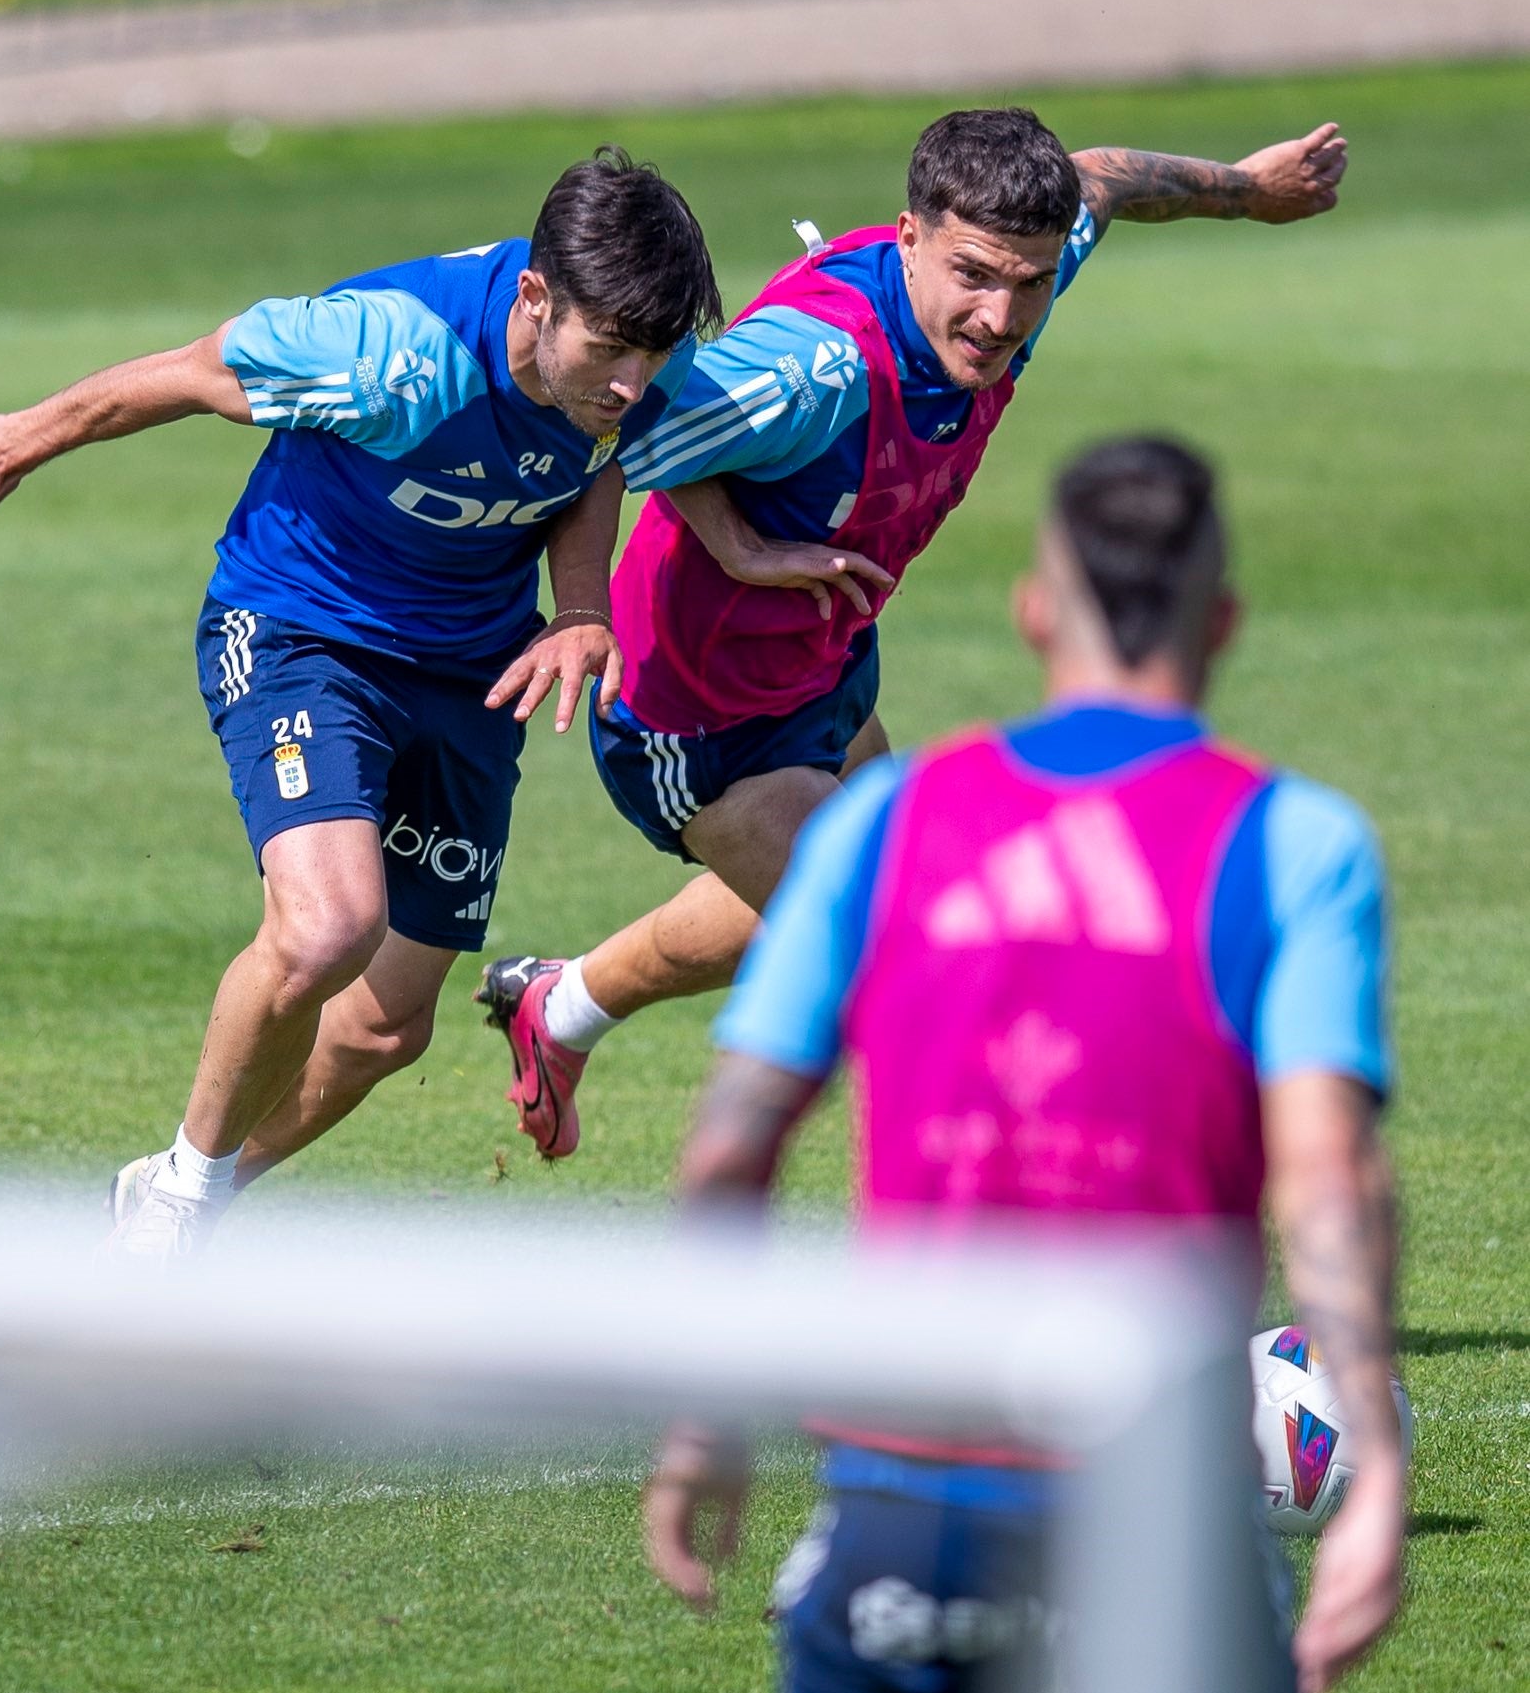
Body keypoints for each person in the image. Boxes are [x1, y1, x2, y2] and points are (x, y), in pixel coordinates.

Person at [640, 435, 1404, 1693]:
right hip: (1155, 1494)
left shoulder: (883, 821)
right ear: (1219, 624)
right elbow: (1328, 1182)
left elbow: (729, 1144)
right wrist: (1378, 1470)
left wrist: (704, 1415)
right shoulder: (1293, 842)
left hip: (912, 1480)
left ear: (1033, 614)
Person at [473, 106, 1350, 1160]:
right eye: (974, 274)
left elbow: (1104, 176)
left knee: (810, 901)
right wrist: (722, 551)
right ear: (908, 235)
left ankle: (561, 1007)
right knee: (921, 966)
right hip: (693, 716)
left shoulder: (1022, 266)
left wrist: (1252, 190)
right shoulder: (812, 370)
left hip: (821, 664)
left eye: (1027, 281)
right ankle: (1111, 1299)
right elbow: (606, 412)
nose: (1000, 312)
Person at [0, 147, 721, 1256]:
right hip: (302, 628)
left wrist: (580, 607)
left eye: (653, 355)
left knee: (386, 1026)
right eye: (611, 350)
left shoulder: (631, 365)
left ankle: (184, 1189)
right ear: (535, 295)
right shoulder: (386, 350)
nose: (632, 381)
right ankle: (176, 1211)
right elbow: (188, 371)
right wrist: (18, 437)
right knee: (330, 922)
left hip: (471, 669)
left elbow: (597, 460)